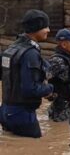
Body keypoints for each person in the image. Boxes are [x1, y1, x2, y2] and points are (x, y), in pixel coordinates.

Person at [0, 9, 54, 138]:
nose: (48, 30)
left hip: (5, 111)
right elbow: (30, 89)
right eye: (45, 27)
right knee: (35, 148)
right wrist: (50, 88)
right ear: (37, 28)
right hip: (22, 114)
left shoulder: (12, 48)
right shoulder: (30, 53)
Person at [47, 28, 70, 122]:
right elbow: (43, 79)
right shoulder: (56, 61)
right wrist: (49, 94)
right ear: (64, 44)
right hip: (61, 107)